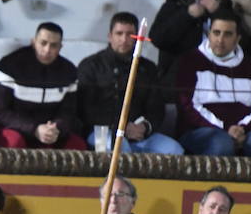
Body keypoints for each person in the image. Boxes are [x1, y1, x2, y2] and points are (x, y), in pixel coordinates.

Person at [173, 10, 251, 157]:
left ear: (237, 38)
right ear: (208, 34)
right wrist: (224, 129)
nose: (220, 40)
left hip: (244, 132)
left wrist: (242, 128)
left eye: (227, 34)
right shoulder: (190, 61)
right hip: (200, 131)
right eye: (216, 33)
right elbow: (187, 106)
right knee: (221, 144)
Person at [76, 12, 182, 154]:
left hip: (138, 133)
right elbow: (86, 110)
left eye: (129, 34)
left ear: (138, 38)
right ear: (110, 36)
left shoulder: (148, 68)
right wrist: (121, 128)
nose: (124, 39)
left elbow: (156, 108)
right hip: (100, 132)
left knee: (174, 150)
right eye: (119, 33)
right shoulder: (90, 65)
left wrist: (144, 127)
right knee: (119, 149)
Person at [0, 22, 87, 150]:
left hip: (50, 132)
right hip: (14, 129)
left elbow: (69, 112)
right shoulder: (10, 65)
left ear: (61, 47)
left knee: (77, 145)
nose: (47, 50)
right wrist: (34, 129)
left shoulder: (69, 71)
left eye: (54, 45)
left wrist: (56, 128)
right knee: (14, 143)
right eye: (43, 43)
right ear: (33, 42)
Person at [150, 0, 227, 84]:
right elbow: (158, 38)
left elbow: (240, 45)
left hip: (217, 79)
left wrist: (218, 14)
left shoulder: (226, 12)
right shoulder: (175, 5)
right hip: (178, 80)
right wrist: (187, 15)